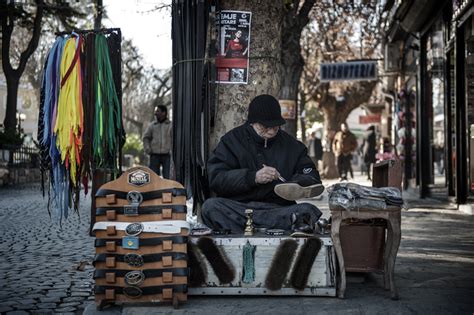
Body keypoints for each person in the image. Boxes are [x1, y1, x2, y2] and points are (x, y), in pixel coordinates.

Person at [201, 94, 324, 236]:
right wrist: (252, 177)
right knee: (210, 207)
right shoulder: (232, 141)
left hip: (277, 209)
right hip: (239, 208)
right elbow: (216, 178)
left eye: (276, 126)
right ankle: (246, 234)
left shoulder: (292, 146)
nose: (271, 131)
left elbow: (312, 177)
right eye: (265, 126)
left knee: (307, 210)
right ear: (252, 122)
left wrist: (293, 185)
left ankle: (259, 229)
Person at [142, 105, 172, 178]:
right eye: (155, 111)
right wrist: (147, 148)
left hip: (167, 155)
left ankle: (167, 189)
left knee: (167, 177)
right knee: (153, 177)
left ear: (164, 113)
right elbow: (146, 137)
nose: (155, 113)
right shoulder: (152, 125)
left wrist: (171, 150)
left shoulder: (170, 125)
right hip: (154, 155)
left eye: (158, 111)